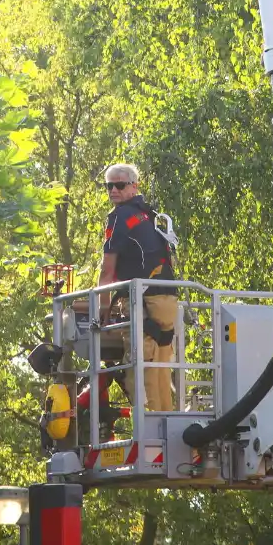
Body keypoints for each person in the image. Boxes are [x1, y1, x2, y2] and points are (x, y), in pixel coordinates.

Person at [97, 163, 178, 412]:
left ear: (134, 186)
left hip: (145, 304)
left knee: (141, 377)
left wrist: (101, 307)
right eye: (109, 186)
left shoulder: (120, 217)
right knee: (160, 372)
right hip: (166, 302)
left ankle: (152, 434)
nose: (113, 191)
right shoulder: (149, 215)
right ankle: (167, 427)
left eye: (119, 185)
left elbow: (107, 269)